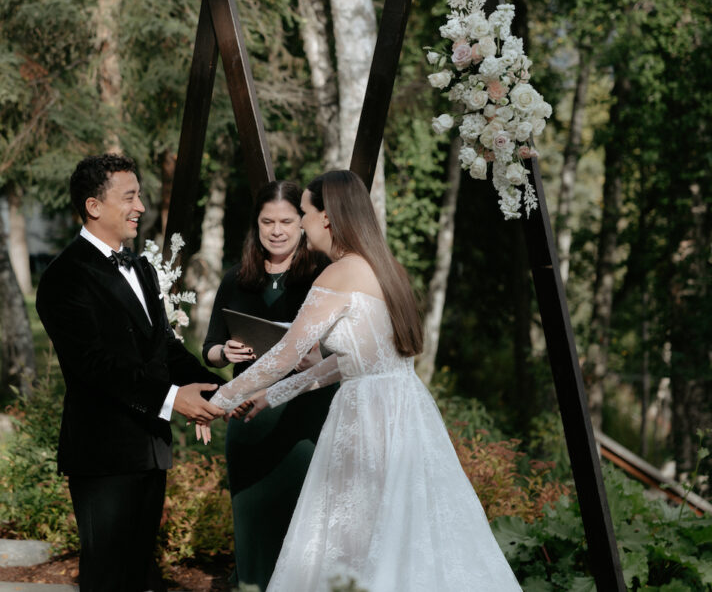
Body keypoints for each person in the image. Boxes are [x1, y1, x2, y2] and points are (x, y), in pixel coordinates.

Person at [206, 170, 521, 591]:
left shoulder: (338, 275)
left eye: (303, 213)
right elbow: (346, 363)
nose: (299, 223)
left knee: (354, 532)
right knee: (404, 528)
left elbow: (286, 354)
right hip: (404, 408)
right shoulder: (388, 269)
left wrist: (219, 399)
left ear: (328, 218)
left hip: (367, 416)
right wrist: (272, 395)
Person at [35, 154, 225, 592]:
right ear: (94, 206)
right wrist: (174, 399)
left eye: (139, 195)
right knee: (106, 577)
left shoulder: (140, 266)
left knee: (141, 574)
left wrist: (223, 391)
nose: (140, 206)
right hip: (103, 454)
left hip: (149, 448)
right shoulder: (64, 276)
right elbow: (93, 367)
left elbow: (163, 348)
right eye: (130, 196)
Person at [202, 180, 334, 591]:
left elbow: (342, 350)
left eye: (286, 221)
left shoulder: (323, 275)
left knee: (299, 520)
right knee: (251, 522)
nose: (276, 230)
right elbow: (209, 348)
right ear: (255, 225)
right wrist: (226, 352)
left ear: (302, 223)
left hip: (303, 416)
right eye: (267, 222)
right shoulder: (235, 279)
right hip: (247, 419)